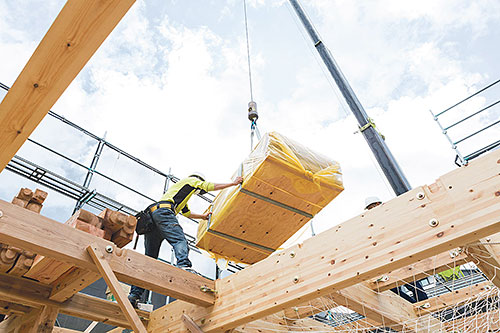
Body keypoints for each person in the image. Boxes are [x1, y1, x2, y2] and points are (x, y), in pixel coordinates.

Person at [128, 172, 243, 307]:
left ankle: (134, 295)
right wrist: (233, 183)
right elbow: (208, 186)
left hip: (152, 219)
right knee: (179, 241)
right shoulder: (192, 180)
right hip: (164, 212)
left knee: (150, 259)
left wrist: (203, 217)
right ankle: (183, 265)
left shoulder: (180, 193)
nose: (198, 192)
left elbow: (187, 213)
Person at [364, 196, 429, 303]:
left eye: (373, 206)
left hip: (398, 254)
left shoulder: (390, 215)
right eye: (370, 208)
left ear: (379, 204)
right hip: (384, 258)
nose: (372, 209)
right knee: (393, 288)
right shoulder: (370, 225)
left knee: (411, 281)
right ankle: (410, 304)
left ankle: (424, 302)